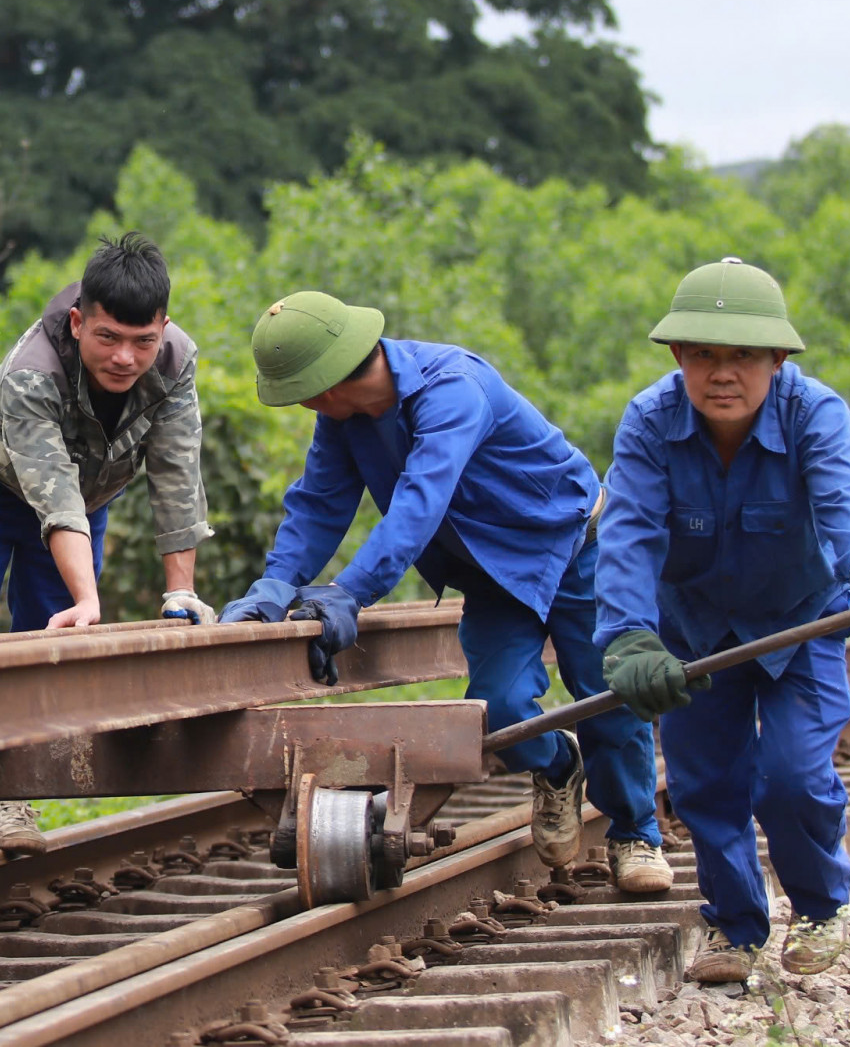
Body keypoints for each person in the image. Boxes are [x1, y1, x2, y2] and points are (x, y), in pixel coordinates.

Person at [234, 291, 670, 894]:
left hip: (577, 549)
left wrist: (350, 593)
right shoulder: (341, 423)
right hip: (495, 576)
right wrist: (275, 586)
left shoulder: (453, 390)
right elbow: (317, 504)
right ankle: (558, 766)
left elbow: (418, 505)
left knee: (606, 696)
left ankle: (636, 836)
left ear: (324, 383)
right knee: (501, 707)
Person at [596, 257, 850, 983]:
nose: (724, 374)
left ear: (778, 359)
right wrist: (628, 634)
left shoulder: (816, 413)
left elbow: (847, 507)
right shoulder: (650, 422)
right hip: (694, 633)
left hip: (799, 625)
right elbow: (627, 532)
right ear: (677, 356)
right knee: (704, 787)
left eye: (744, 356)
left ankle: (817, 908)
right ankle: (735, 931)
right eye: (704, 355)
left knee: (793, 776)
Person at [0, 232, 213, 856]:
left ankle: (11, 790)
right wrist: (90, 595)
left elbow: (177, 478)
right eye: (108, 337)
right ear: (79, 323)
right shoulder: (35, 371)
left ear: (163, 328)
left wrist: (180, 591)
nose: (126, 358)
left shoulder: (178, 361)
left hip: (87, 496)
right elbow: (52, 498)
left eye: (143, 341)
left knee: (47, 633)